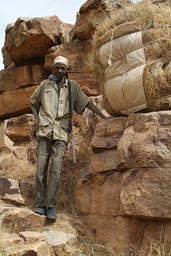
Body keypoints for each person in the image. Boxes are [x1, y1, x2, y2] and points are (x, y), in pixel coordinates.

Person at [30, 56, 107, 220]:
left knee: (56, 170)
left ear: (66, 71)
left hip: (62, 133)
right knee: (40, 169)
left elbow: (87, 103)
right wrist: (37, 119)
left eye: (62, 68)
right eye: (57, 67)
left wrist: (104, 116)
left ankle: (50, 206)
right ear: (53, 68)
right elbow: (33, 102)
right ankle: (39, 204)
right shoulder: (44, 86)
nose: (59, 71)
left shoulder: (72, 87)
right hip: (44, 131)